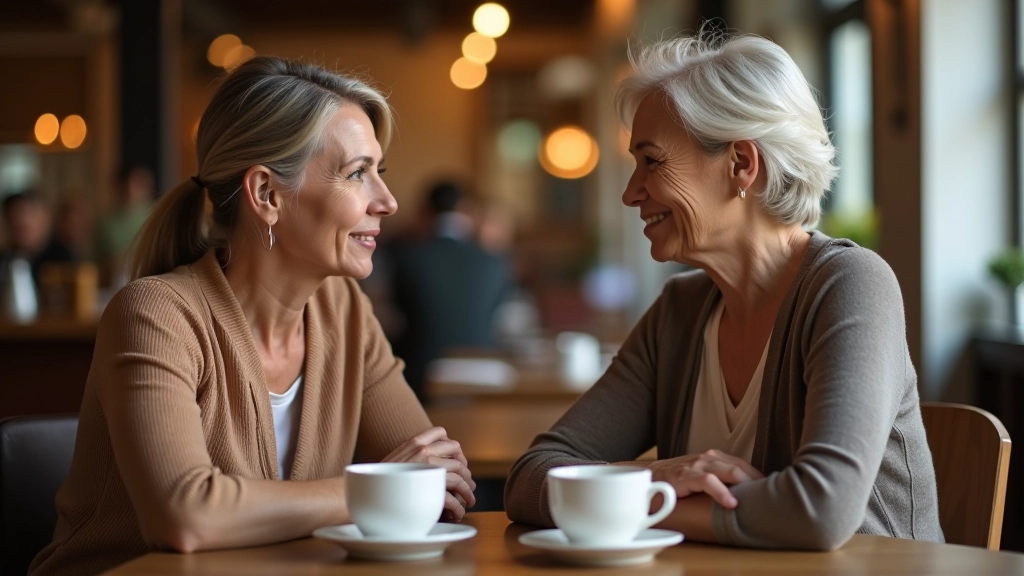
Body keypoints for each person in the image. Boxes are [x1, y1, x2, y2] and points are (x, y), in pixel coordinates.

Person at [30, 57, 475, 575]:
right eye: (358, 174)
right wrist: (376, 488)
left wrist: (401, 485)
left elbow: (436, 483)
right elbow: (186, 517)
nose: (389, 201)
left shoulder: (346, 313)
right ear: (266, 194)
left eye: (380, 172)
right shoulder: (156, 315)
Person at [504, 33, 942, 550]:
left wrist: (632, 506)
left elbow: (820, 511)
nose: (630, 192)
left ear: (741, 164)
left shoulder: (849, 285)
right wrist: (658, 482)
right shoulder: (680, 312)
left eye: (653, 161)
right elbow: (530, 479)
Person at [390, 182, 511, 401]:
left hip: (421, 375)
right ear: (466, 209)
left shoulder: (407, 259)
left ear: (425, 210)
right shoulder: (495, 261)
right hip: (485, 372)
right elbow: (496, 315)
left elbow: (401, 311)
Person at [93, 165, 154, 287]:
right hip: (115, 286)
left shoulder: (155, 216)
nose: (131, 190)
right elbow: (99, 263)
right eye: (127, 186)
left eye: (137, 185)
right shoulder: (106, 223)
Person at [0, 191, 75, 283]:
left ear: (44, 217)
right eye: (13, 217)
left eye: (28, 213)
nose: (21, 220)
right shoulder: (5, 259)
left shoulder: (63, 257)